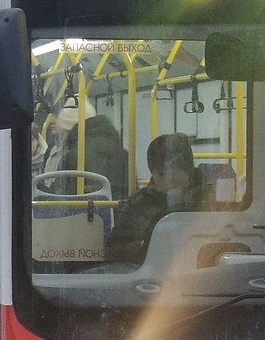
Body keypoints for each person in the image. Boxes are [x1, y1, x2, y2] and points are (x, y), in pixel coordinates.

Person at [107, 133, 208, 264]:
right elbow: (114, 249)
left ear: (188, 170)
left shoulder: (207, 196)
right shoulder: (140, 202)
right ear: (152, 172)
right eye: (161, 174)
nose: (168, 180)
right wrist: (144, 246)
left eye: (174, 173)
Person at [47, 99, 130, 201]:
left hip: (86, 215)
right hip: (117, 214)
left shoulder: (75, 156)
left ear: (70, 127)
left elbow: (59, 199)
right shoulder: (121, 152)